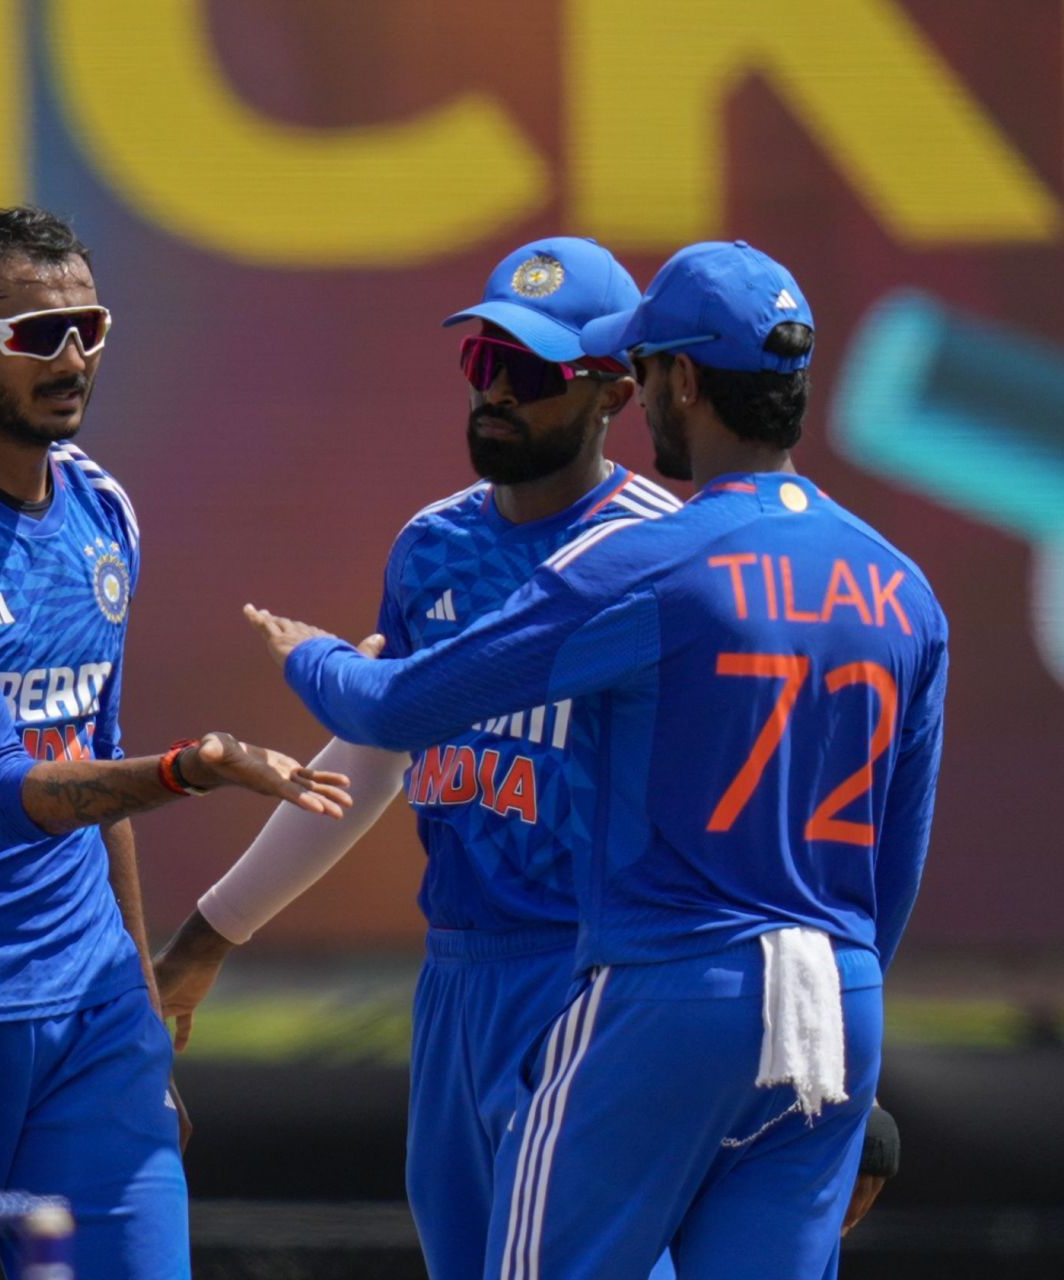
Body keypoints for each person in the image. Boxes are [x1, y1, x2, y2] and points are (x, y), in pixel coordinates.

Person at [248, 241, 947, 1279]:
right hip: (835, 997)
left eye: (649, 365)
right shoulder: (902, 587)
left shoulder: (650, 558)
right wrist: (851, 1036)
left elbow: (396, 700)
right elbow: (893, 863)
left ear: (685, 381)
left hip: (669, 988)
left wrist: (306, 654)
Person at [0, 205, 352, 1279]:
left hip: (93, 1005)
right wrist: (196, 767)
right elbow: (4, 786)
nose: (71, 356)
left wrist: (141, 1009)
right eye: (34, 335)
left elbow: (94, 753)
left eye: (88, 326)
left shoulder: (104, 508)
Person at [154, 235, 682, 1280]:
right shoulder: (431, 546)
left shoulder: (660, 551)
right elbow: (372, 753)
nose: (494, 395)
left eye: (529, 374)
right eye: (483, 362)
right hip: (455, 982)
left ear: (614, 389)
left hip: (596, 981)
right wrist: (214, 929)